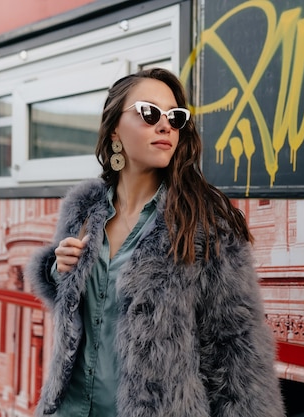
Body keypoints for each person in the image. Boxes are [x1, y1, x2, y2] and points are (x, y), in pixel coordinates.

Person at [26, 67, 285, 417]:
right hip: (69, 409)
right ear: (115, 127)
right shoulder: (83, 209)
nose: (165, 126)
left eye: (175, 118)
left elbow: (235, 348)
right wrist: (57, 270)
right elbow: (75, 314)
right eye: (149, 114)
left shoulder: (204, 224)